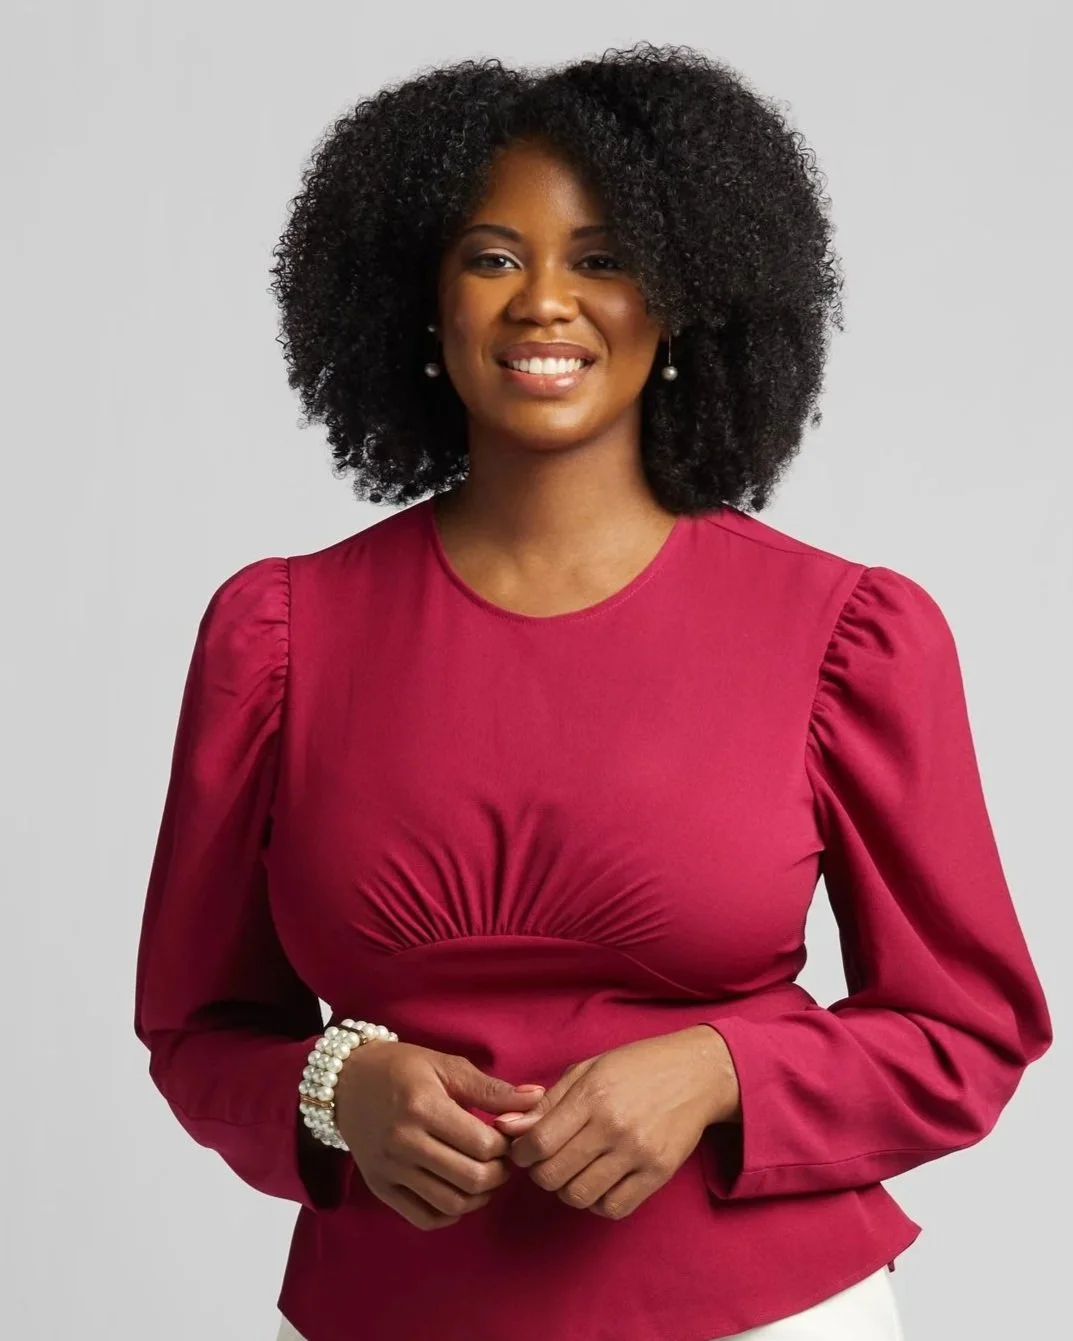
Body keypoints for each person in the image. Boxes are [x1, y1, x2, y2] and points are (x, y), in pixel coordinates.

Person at [133, 43, 1053, 1341]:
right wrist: (344, 1086)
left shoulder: (844, 635)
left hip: (766, 1316)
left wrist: (722, 1069)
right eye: (494, 257)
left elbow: (971, 1029)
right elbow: (197, 1028)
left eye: (605, 260)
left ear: (681, 302)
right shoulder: (278, 635)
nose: (544, 303)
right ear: (424, 297)